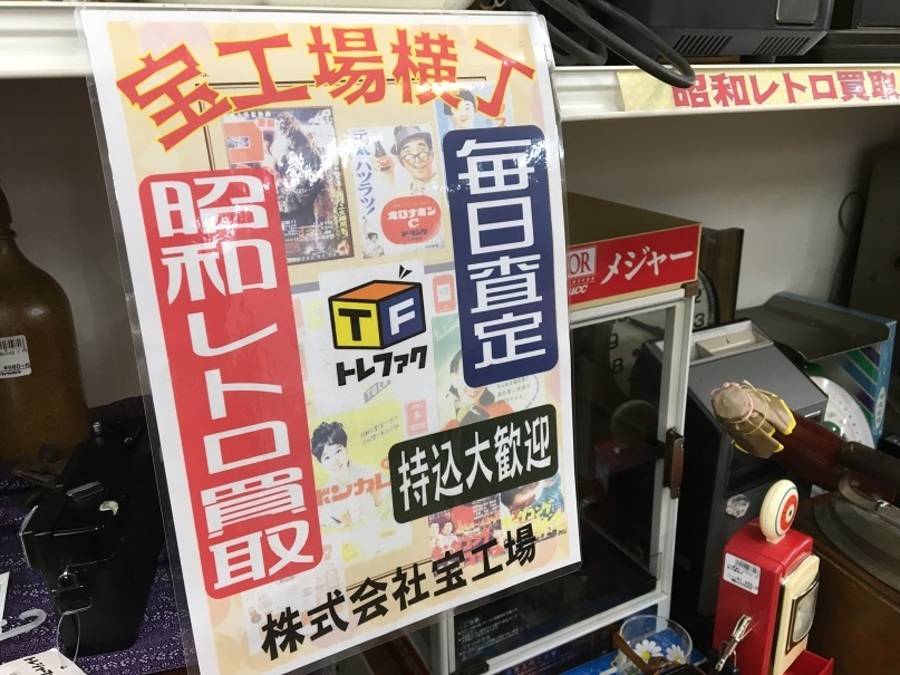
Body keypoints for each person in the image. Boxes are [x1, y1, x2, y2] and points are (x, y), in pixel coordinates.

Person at [311, 421, 379, 530]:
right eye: (327, 458)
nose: (335, 461)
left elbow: (384, 506)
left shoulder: (368, 473)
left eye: (338, 451)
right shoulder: (325, 496)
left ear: (346, 449)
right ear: (321, 463)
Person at [444, 350, 513, 428]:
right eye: (467, 375)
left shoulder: (502, 409)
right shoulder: (449, 426)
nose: (474, 385)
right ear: (454, 379)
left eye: (480, 374)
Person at [375, 125, 441, 198]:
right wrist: (389, 175)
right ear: (401, 161)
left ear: (431, 154)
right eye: (408, 152)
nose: (417, 160)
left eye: (421, 149)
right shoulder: (403, 192)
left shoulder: (443, 182)